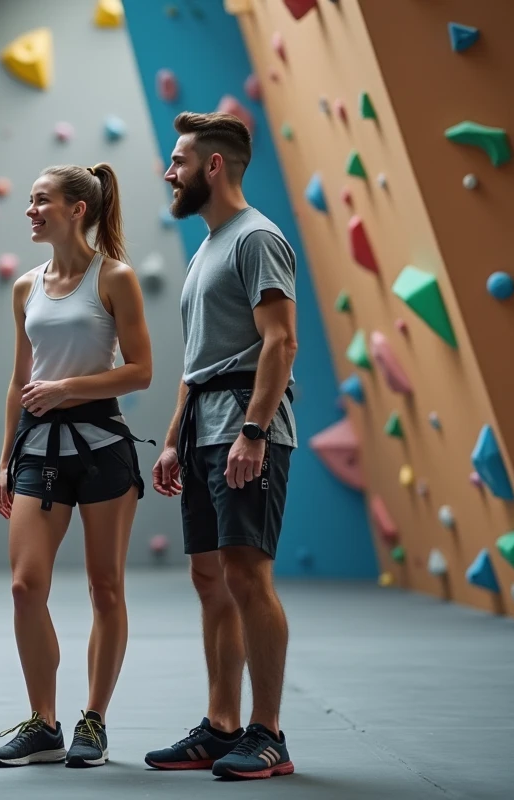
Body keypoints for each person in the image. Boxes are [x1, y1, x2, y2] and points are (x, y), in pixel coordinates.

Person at [144, 111, 299, 781]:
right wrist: (175, 437)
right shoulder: (209, 246)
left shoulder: (256, 237)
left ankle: (268, 734)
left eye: (178, 160)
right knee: (209, 578)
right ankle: (221, 724)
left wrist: (255, 432)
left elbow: (280, 342)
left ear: (213, 166)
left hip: (244, 429)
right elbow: (197, 359)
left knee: (245, 575)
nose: (167, 171)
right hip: (205, 428)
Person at [0, 163, 154, 769]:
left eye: (42, 201)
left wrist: (65, 390)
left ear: (77, 209)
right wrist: (6, 460)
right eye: (30, 201)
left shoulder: (116, 278)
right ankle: (43, 722)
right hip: (37, 451)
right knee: (25, 587)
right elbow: (18, 381)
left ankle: (93, 720)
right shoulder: (24, 287)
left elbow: (141, 370)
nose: (31, 211)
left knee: (105, 588)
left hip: (104, 446)